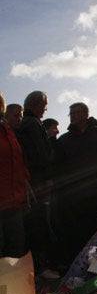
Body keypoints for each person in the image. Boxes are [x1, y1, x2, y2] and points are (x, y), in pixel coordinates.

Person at [54, 102, 97, 263]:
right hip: (72, 194)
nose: (73, 116)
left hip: (94, 191)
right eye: (71, 113)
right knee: (72, 230)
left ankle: (93, 263)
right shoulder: (64, 140)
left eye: (76, 112)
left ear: (86, 114)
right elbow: (59, 166)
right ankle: (72, 264)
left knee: (91, 228)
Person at [16, 90, 57, 274]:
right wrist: (48, 176)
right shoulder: (32, 124)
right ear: (35, 104)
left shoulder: (27, 123)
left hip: (31, 181)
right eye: (44, 104)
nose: (46, 108)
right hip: (38, 182)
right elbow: (41, 155)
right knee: (39, 224)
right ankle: (39, 266)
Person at [0, 91, 28, 257]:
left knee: (16, 247)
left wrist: (24, 177)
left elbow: (16, 159)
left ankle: (12, 283)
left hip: (13, 199)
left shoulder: (7, 130)